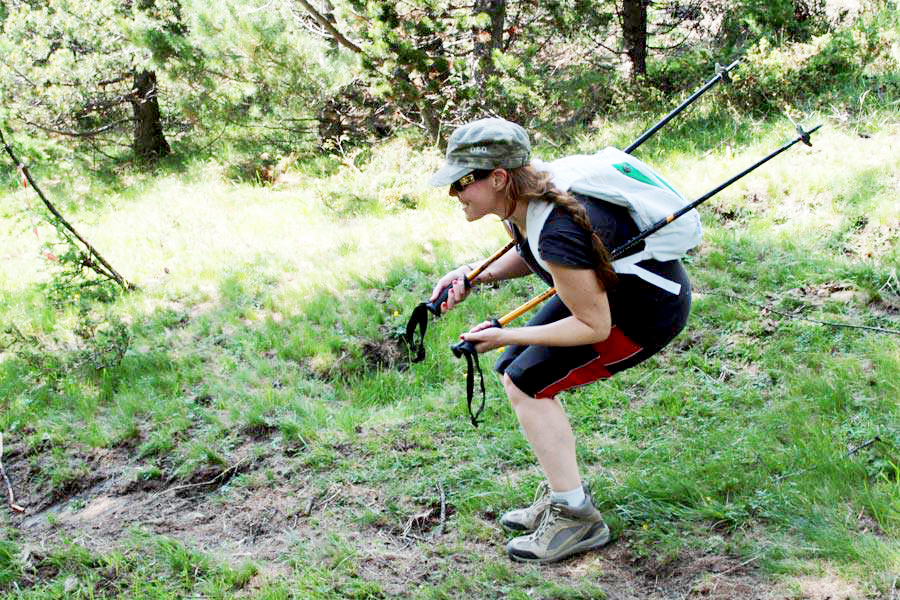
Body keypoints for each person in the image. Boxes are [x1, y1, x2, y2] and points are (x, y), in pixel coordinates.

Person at [427, 117, 692, 563]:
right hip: (608, 295)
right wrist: (476, 275)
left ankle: (576, 518)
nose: (454, 194)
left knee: (530, 382)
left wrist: (503, 333)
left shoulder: (555, 226)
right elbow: (536, 250)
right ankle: (563, 494)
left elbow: (594, 327)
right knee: (518, 376)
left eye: (462, 183)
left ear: (498, 177)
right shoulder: (525, 199)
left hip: (642, 311)